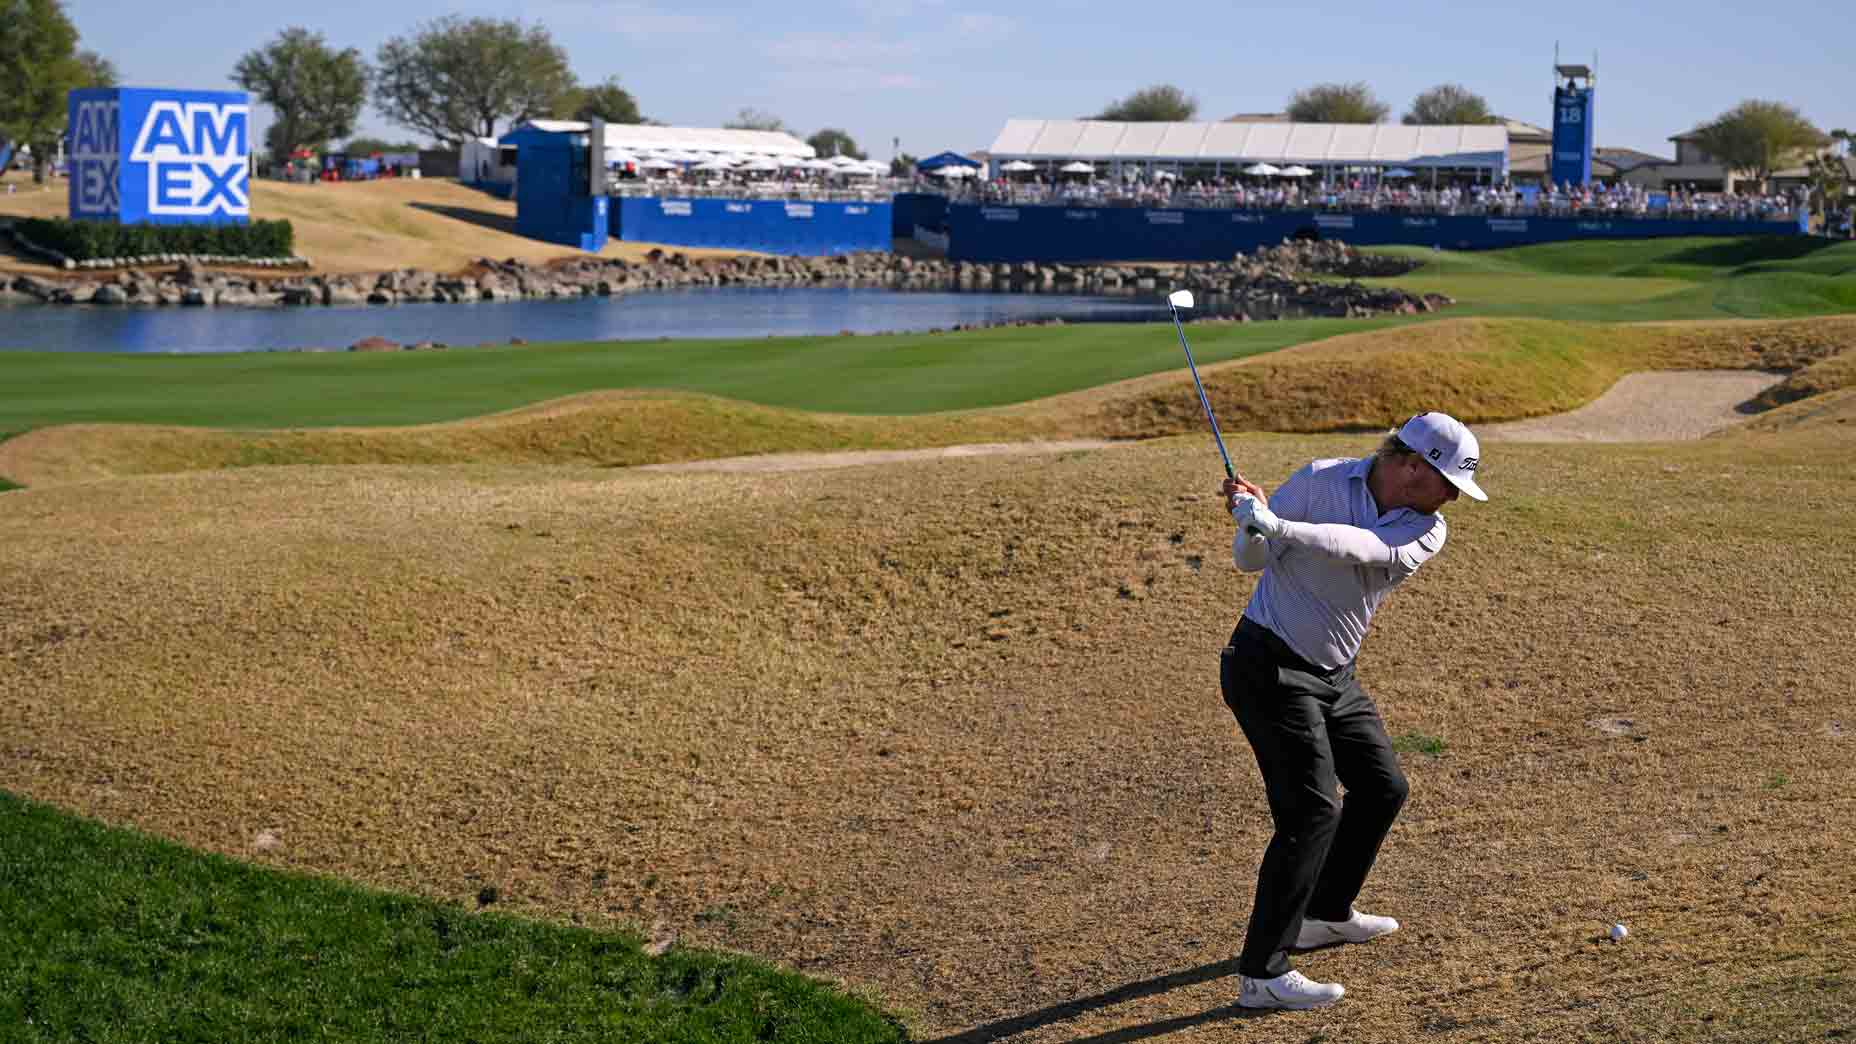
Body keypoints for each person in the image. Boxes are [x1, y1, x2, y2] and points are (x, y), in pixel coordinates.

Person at [1218, 411, 1487, 1010]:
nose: (1453, 499)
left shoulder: (1424, 528)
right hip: (1267, 666)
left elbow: (1356, 547)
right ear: (1413, 467)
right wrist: (1251, 522)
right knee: (1311, 814)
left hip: (1334, 674)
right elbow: (1249, 560)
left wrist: (1278, 524)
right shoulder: (1319, 478)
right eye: (1450, 484)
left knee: (1382, 786)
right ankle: (1262, 971)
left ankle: (1324, 912)